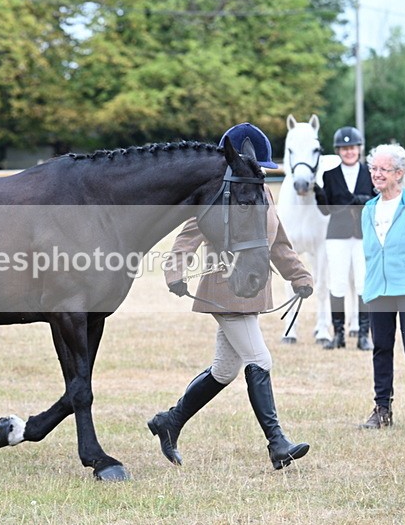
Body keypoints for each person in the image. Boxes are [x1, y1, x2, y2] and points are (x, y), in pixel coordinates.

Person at [149, 123, 314, 470]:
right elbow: (187, 236)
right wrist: (175, 272)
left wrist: (299, 276)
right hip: (225, 288)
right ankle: (277, 444)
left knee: (224, 371)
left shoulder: (262, 193)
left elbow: (278, 242)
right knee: (260, 359)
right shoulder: (218, 195)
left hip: (252, 288)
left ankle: (169, 422)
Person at [359, 143, 405, 431]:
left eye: (383, 169)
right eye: (373, 168)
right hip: (378, 287)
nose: (376, 174)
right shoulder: (368, 208)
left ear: (399, 173)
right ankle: (382, 410)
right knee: (381, 347)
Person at [313, 127, 375, 350]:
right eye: (344, 149)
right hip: (337, 235)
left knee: (362, 283)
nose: (349, 152)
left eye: (352, 148)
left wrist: (363, 199)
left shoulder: (370, 173)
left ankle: (364, 335)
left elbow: (377, 203)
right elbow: (326, 211)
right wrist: (318, 195)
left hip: (362, 235)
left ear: (359, 149)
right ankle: (338, 333)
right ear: (339, 151)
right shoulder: (330, 176)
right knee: (337, 283)